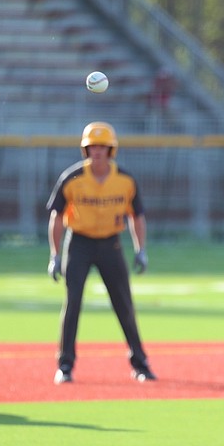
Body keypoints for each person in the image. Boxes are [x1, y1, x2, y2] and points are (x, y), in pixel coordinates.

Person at [47, 121, 155, 384]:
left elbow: (137, 216)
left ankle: (140, 364)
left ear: (111, 150)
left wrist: (141, 250)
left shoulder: (125, 180)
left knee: (124, 305)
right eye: (92, 147)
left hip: (111, 244)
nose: (97, 151)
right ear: (86, 150)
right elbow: (57, 216)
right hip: (79, 243)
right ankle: (65, 366)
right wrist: (55, 254)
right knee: (72, 304)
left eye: (102, 147)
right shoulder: (72, 178)